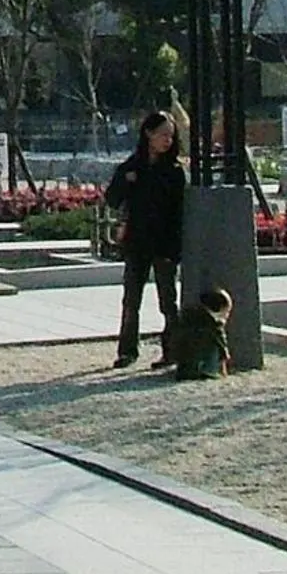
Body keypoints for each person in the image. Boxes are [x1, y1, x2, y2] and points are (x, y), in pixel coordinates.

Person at [104, 109, 186, 370]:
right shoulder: (132, 167)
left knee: (168, 300)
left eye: (171, 136)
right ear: (148, 134)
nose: (167, 140)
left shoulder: (174, 171)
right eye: (162, 134)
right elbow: (112, 199)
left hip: (164, 242)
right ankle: (127, 350)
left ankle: (172, 350)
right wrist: (127, 183)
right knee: (131, 299)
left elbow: (179, 211)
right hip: (137, 242)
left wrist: (176, 246)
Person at [172, 288, 234, 380]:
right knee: (214, 348)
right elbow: (222, 346)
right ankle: (209, 370)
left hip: (183, 362)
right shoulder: (214, 325)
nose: (227, 315)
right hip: (201, 362)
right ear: (219, 309)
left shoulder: (188, 316)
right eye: (227, 311)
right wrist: (225, 356)